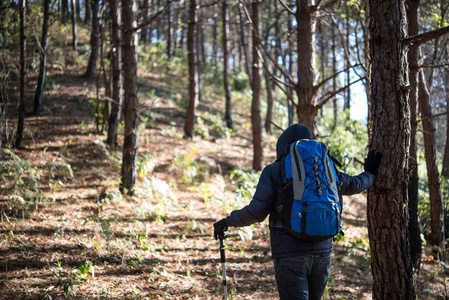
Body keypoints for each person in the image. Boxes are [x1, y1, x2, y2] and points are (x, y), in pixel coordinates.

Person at [213, 124, 382, 300]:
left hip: (289, 254)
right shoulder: (324, 168)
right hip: (323, 251)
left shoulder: (275, 170)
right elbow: (354, 184)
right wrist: (371, 172)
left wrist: (227, 221)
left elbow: (257, 212)